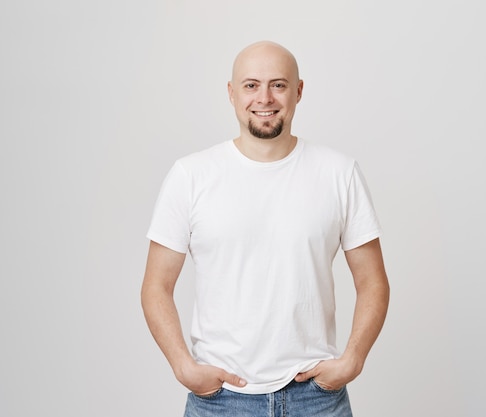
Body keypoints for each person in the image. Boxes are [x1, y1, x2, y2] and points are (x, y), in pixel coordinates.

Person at [141, 41, 390, 417]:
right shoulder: (191, 176)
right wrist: (183, 365)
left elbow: (373, 281)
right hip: (221, 401)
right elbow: (156, 285)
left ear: (299, 91)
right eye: (251, 85)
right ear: (231, 93)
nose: (265, 98)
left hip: (316, 399)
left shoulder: (339, 173)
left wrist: (352, 360)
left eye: (278, 84)